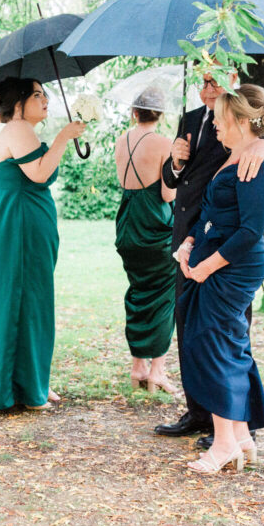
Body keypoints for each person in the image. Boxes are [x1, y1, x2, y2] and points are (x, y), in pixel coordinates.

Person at [156, 68, 264, 446]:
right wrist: (175, 161)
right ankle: (198, 411)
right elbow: (176, 181)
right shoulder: (190, 120)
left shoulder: (250, 122)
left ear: (232, 79)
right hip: (190, 238)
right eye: (202, 82)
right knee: (189, 327)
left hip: (229, 250)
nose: (207, 89)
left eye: (214, 82)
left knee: (226, 336)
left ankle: (236, 423)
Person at [176, 84, 264, 474]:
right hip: (214, 260)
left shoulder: (258, 164)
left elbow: (250, 230)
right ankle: (240, 437)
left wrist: (208, 265)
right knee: (227, 345)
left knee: (212, 345)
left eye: (221, 119)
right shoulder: (232, 156)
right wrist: (189, 242)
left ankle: (222, 445)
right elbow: (213, 213)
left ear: (241, 121)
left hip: (233, 267)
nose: (215, 126)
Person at [0, 77, 86, 410]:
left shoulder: (18, 131)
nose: (46, 100)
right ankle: (26, 388)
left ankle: (29, 382)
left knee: (25, 301)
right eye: (38, 95)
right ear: (18, 103)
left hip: (20, 225)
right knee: (29, 303)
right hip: (20, 228)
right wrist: (63, 139)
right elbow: (38, 174)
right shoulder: (19, 128)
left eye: (46, 94)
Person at [113, 89, 178, 393]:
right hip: (154, 224)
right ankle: (157, 370)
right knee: (164, 295)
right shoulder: (165, 144)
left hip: (128, 223)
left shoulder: (120, 141)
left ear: (133, 112)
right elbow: (167, 194)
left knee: (138, 291)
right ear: (160, 115)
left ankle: (137, 366)